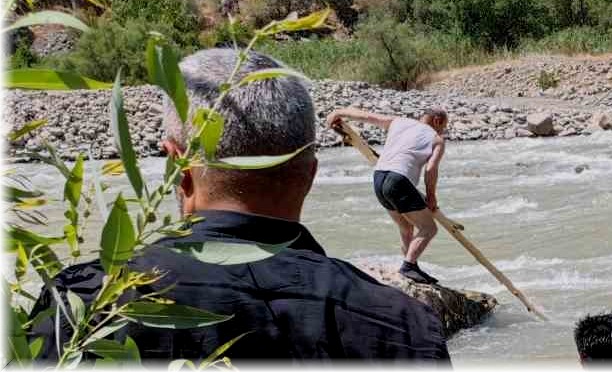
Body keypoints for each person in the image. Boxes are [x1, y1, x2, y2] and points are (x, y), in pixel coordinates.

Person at [31, 48, 449, 361]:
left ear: (179, 167)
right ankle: (409, 262)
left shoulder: (81, 305)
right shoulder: (404, 328)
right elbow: (429, 174)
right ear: (310, 176)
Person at [326, 106, 448, 285]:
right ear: (437, 121)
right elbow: (430, 170)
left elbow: (367, 115)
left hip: (379, 177)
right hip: (398, 181)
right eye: (444, 126)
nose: (443, 130)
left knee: (406, 228)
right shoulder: (436, 139)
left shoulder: (399, 122)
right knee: (429, 228)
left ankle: (411, 267)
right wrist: (431, 196)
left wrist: (338, 112)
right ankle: (408, 266)